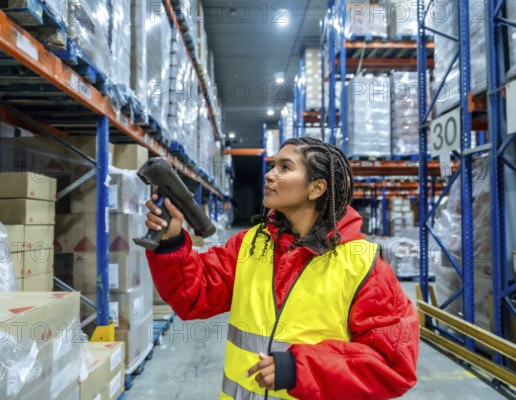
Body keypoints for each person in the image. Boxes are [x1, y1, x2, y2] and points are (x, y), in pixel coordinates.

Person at [144, 137, 419, 400]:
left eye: (285, 167)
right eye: (273, 165)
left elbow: (392, 364)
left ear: (316, 188)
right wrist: (172, 243)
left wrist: (299, 368)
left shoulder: (365, 267)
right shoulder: (250, 244)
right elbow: (194, 296)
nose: (269, 174)